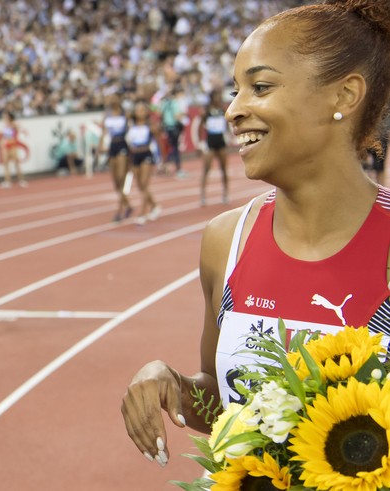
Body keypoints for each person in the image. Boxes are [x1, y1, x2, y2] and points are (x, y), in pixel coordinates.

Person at [121, 0, 390, 468]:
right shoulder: (226, 240)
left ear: (344, 96)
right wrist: (170, 384)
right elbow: (225, 403)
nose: (233, 109)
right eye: (235, 89)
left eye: (259, 86)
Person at [125, 101, 162, 225]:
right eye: (138, 110)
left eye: (142, 110)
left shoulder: (150, 124)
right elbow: (129, 143)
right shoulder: (131, 125)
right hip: (135, 156)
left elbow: (158, 141)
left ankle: (143, 212)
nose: (140, 112)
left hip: (146, 154)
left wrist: (162, 159)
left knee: (145, 185)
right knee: (140, 185)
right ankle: (155, 206)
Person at [102, 94, 132, 222]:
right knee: (116, 183)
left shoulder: (125, 113)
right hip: (112, 146)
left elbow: (131, 130)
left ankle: (119, 211)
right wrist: (100, 147)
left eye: (114, 97)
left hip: (122, 145)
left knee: (121, 178)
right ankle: (128, 206)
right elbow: (103, 132)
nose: (111, 99)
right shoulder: (106, 114)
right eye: (110, 97)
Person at [199, 89, 230, 206]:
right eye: (216, 96)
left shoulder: (223, 110)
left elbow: (226, 124)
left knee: (224, 169)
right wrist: (200, 142)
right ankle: (202, 196)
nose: (218, 98)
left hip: (221, 141)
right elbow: (200, 127)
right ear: (212, 98)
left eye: (219, 96)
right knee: (206, 169)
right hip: (210, 141)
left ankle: (225, 194)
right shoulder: (206, 111)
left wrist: (227, 135)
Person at [158, 85, 186, 178]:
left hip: (167, 127)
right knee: (175, 148)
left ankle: (165, 166)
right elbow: (177, 115)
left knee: (169, 147)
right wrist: (183, 116)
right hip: (174, 127)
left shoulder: (164, 102)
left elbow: (160, 113)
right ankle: (177, 168)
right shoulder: (174, 102)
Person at [0, 110, 26, 188]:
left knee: (16, 163)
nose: (4, 119)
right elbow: (6, 137)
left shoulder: (13, 125)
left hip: (12, 146)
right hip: (7, 146)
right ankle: (7, 181)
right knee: (6, 164)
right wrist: (3, 142)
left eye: (6, 117)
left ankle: (21, 180)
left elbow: (11, 135)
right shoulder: (6, 126)